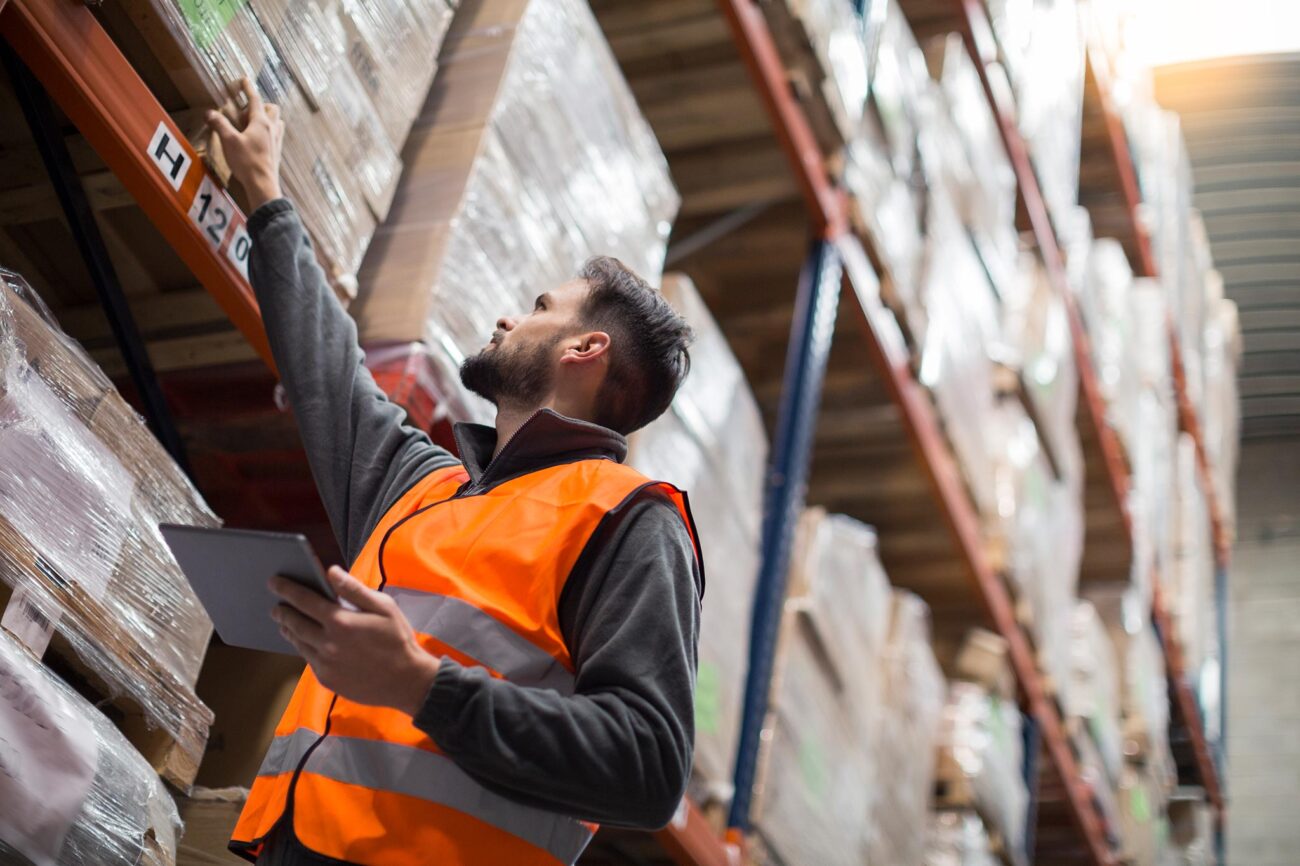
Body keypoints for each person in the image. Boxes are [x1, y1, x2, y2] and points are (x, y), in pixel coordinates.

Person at [205, 80, 704, 866]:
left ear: (584, 351)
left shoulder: (630, 519)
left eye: (540, 306)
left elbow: (647, 769)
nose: (509, 317)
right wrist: (266, 196)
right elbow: (326, 373)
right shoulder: (425, 488)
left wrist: (421, 686)